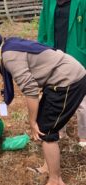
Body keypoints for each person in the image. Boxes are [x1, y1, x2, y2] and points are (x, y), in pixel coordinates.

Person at [0, 33, 86, 185]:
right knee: (44, 124)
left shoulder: (9, 56)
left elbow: (30, 90)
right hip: (58, 78)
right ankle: (48, 166)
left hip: (67, 81)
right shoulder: (8, 46)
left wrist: (32, 122)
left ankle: (56, 182)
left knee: (46, 131)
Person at [38, 0, 86, 147]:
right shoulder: (48, 2)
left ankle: (83, 136)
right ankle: (60, 130)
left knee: (82, 101)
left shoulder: (82, 2)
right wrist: (41, 50)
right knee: (55, 95)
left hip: (77, 56)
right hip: (54, 57)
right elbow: (43, 30)